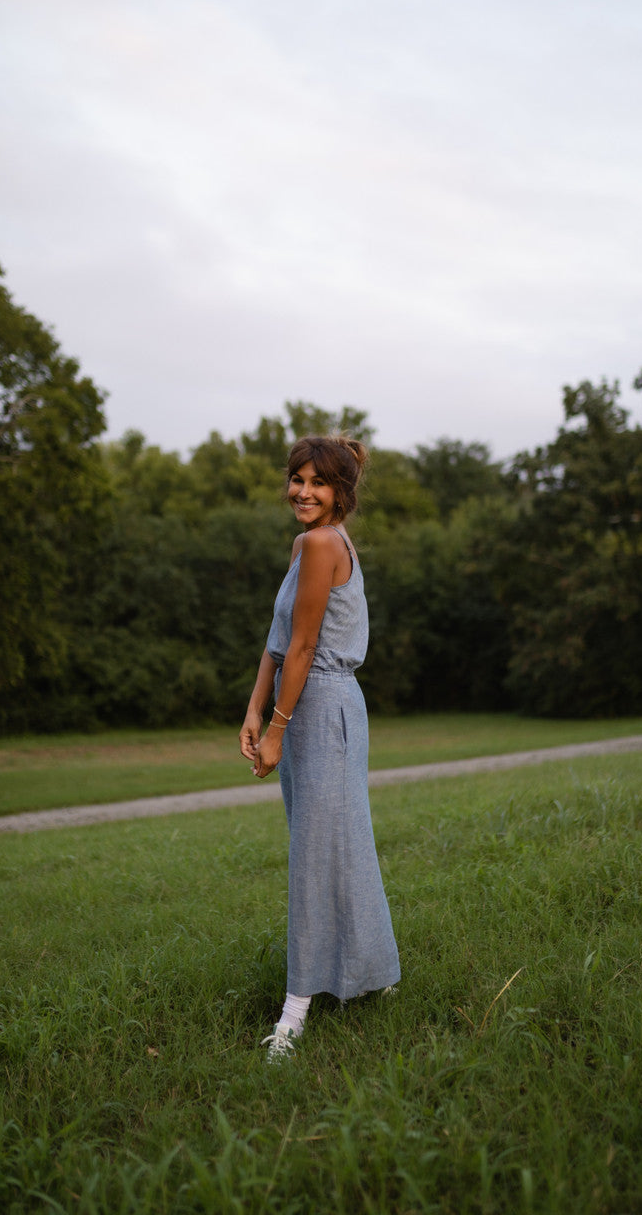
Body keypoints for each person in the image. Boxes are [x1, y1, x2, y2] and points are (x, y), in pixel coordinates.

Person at [239, 434, 400, 1061]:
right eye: (296, 479)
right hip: (305, 704)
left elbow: (305, 649)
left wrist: (277, 726)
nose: (303, 492)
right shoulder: (308, 543)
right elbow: (279, 642)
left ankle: (297, 1009)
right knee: (338, 844)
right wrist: (254, 710)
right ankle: (375, 977)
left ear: (341, 493)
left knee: (319, 851)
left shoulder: (324, 542)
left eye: (318, 483)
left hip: (322, 706)